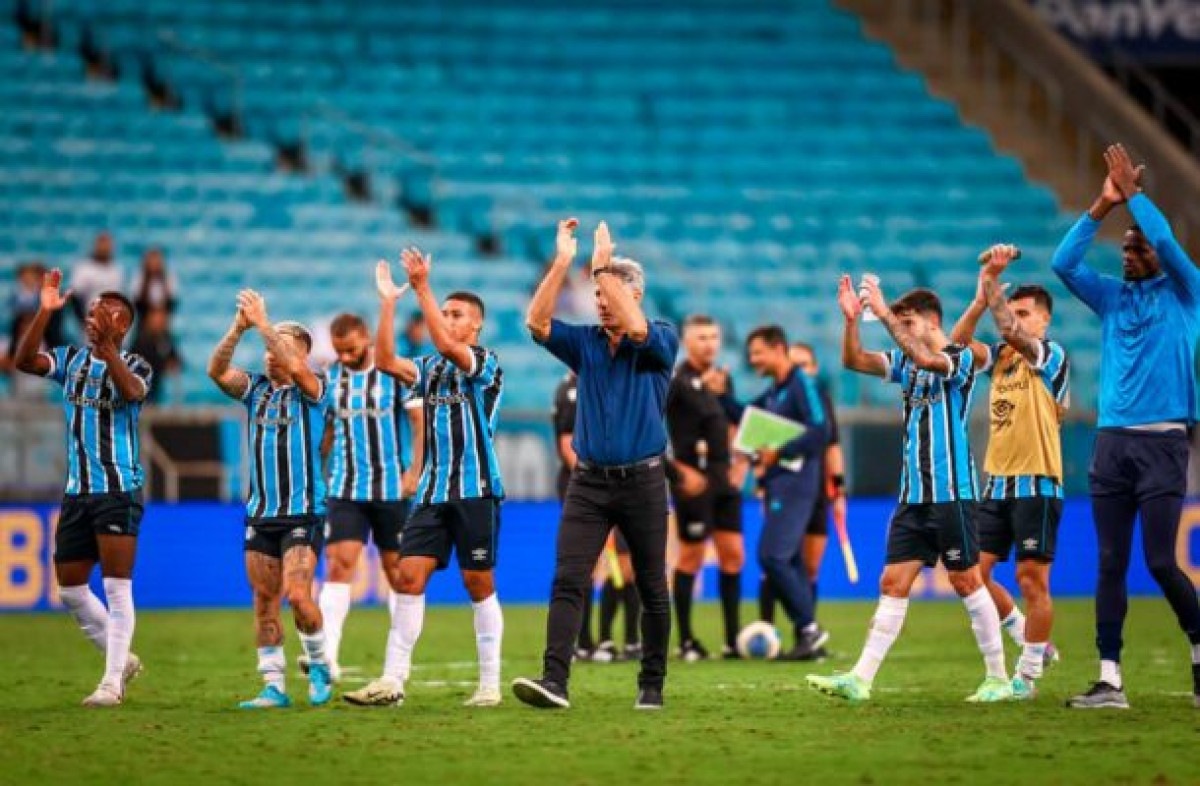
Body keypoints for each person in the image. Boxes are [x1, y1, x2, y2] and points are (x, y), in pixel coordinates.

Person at [808, 280, 1011, 703]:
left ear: (929, 322)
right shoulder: (907, 361)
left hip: (951, 491)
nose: (898, 329)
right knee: (892, 581)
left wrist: (882, 313)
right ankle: (860, 679)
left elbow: (926, 355)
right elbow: (854, 360)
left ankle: (998, 677)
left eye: (906, 322)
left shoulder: (958, 357)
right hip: (913, 494)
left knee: (966, 579)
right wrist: (851, 322)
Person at [1053, 144, 1200, 710]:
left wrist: (1136, 200)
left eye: (1136, 249)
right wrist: (1103, 205)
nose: (1128, 255)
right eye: (1126, 249)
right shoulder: (1113, 299)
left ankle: (1198, 649)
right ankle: (1109, 678)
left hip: (1163, 442)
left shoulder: (1186, 295)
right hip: (1112, 443)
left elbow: (1165, 240)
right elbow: (1064, 265)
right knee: (1110, 561)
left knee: (1161, 562)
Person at [514, 219, 678, 710]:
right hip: (588, 484)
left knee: (651, 585)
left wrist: (601, 264)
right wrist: (564, 263)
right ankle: (555, 682)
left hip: (644, 482)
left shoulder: (661, 339)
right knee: (569, 578)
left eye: (611, 290)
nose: (601, 298)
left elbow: (638, 326)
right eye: (597, 291)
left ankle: (651, 684)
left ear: (637, 293)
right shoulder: (585, 343)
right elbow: (537, 324)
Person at [348, 252, 505, 709]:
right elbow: (383, 359)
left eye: (456, 314)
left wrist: (422, 288)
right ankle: (392, 680)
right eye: (445, 312)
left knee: (478, 583)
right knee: (407, 576)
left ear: (475, 326)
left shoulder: (485, 362)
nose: (445, 319)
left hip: (475, 490)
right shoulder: (430, 369)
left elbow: (448, 345)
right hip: (434, 493)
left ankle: (489, 683)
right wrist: (388, 303)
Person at [12, 269, 152, 706]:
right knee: (70, 589)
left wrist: (109, 351)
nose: (92, 317)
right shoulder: (71, 360)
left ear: (122, 324)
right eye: (90, 311)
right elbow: (23, 361)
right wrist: (44, 312)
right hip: (76, 491)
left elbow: (131, 393)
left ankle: (111, 683)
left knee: (116, 586)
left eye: (104, 312)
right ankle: (121, 658)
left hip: (117, 489)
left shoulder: (134, 363)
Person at [950, 245, 1069, 700]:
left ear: (1044, 321)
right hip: (996, 483)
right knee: (971, 575)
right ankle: (1025, 631)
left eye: (1025, 313)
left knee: (1031, 580)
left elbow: (1011, 333)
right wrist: (983, 297)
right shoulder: (1000, 357)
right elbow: (956, 345)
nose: (1016, 320)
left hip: (1037, 482)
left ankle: (1029, 676)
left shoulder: (1051, 357)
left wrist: (993, 281)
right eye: (1013, 311)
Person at [207, 290, 333, 709]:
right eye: (265, 347)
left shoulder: (314, 389)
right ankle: (273, 686)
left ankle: (318, 664)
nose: (268, 354)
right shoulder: (255, 390)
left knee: (298, 595)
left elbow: (296, 367)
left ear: (302, 353)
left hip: (304, 511)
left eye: (277, 346)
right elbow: (216, 370)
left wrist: (264, 322)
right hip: (261, 513)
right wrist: (238, 328)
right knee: (264, 601)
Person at [306, 311, 423, 685]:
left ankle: (399, 662)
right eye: (339, 351)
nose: (344, 357)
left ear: (368, 338)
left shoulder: (394, 373)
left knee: (400, 576)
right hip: (346, 487)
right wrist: (316, 463)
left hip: (392, 488)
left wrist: (414, 471)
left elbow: (419, 425)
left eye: (351, 350)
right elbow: (325, 429)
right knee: (339, 564)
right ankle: (327, 658)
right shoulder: (330, 377)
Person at [706, 326, 829, 660]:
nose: (753, 360)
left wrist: (782, 451)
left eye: (758, 352)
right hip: (779, 484)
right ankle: (809, 635)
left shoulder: (802, 384)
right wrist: (721, 396)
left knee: (771, 556)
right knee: (787, 559)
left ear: (778, 349)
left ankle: (810, 629)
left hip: (798, 484)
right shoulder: (776, 390)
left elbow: (822, 431)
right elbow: (748, 418)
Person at [666, 314, 746, 661]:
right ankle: (685, 641)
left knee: (733, 555)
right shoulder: (676, 382)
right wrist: (676, 471)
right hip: (693, 481)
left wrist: (741, 461)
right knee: (691, 556)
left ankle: (732, 641)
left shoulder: (721, 381)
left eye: (714, 336)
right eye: (701, 337)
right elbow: (648, 425)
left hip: (723, 478)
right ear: (686, 342)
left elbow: (735, 422)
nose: (709, 343)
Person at [758, 342, 846, 639]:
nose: (801, 370)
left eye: (806, 363)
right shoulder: (778, 398)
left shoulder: (820, 402)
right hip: (786, 489)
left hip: (818, 492)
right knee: (779, 559)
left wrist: (839, 491)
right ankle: (771, 630)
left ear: (815, 368)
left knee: (807, 568)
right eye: (796, 364)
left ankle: (806, 633)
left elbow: (832, 446)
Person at [553, 372, 642, 663]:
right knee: (588, 565)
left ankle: (622, 639)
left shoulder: (610, 383)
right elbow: (568, 444)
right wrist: (593, 483)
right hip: (586, 485)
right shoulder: (572, 391)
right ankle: (585, 642)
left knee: (626, 565)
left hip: (621, 482)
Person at [130, 306, 182, 404]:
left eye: (163, 318)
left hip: (156, 387)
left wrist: (173, 363)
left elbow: (176, 359)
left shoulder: (166, 338)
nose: (160, 321)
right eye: (157, 318)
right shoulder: (141, 341)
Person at [69, 232, 123, 325]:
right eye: (102, 244)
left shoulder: (117, 269)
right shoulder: (85, 268)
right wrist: (83, 321)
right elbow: (75, 297)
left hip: (111, 323)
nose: (105, 248)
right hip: (90, 320)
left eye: (107, 244)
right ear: (96, 245)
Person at [129, 247, 178, 318]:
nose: (154, 264)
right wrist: (147, 278)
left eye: (156, 260)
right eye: (151, 260)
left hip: (164, 317)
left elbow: (171, 303)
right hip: (143, 317)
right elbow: (137, 304)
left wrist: (163, 278)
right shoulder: (138, 276)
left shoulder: (169, 277)